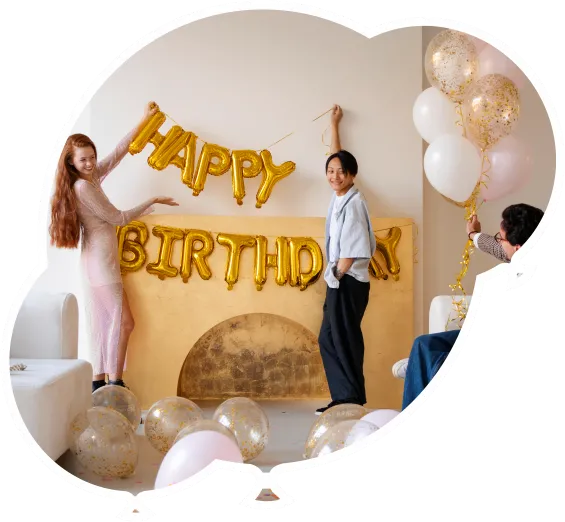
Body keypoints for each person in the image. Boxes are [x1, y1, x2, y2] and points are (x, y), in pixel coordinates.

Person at [49, 101, 179, 393]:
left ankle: (99, 383)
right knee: (123, 322)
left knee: (104, 322)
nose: (90, 163)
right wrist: (151, 201)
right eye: (83, 160)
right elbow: (118, 218)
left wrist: (144, 120)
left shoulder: (90, 178)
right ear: (71, 162)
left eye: (92, 157)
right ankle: (115, 383)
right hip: (100, 263)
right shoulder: (83, 187)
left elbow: (120, 151)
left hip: (97, 261)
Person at [394, 203, 544, 410]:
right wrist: (473, 234)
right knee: (423, 344)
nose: (498, 243)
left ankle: (425, 367)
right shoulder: (524, 251)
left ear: (518, 248)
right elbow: (499, 249)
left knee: (437, 362)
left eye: (501, 238)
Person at [316, 104, 377, 415]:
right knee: (329, 337)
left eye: (341, 172)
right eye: (331, 171)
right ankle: (345, 397)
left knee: (342, 338)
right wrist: (334, 124)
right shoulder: (341, 195)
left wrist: (335, 277)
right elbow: (336, 156)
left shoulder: (353, 203)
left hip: (348, 281)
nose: (335, 176)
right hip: (340, 280)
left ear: (352, 175)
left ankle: (349, 399)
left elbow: (351, 250)